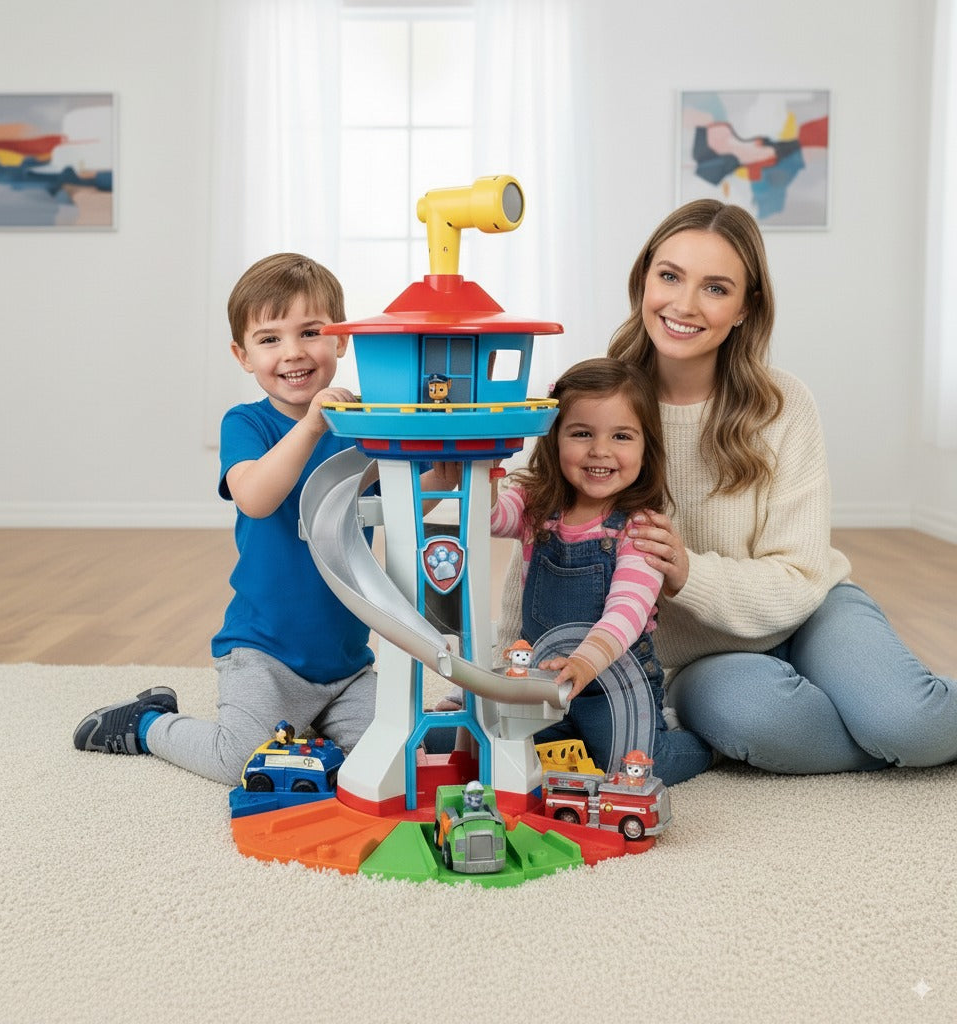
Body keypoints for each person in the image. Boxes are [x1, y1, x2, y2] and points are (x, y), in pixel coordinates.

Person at [503, 198, 957, 776]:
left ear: (746, 307)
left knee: (907, 724)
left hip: (811, 615)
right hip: (703, 659)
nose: (684, 305)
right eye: (669, 276)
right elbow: (538, 540)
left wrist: (690, 571)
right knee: (756, 718)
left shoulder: (784, 405)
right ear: (644, 278)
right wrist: (508, 677)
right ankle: (864, 721)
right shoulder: (595, 404)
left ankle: (891, 715)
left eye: (716, 288)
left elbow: (801, 575)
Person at [73, 253, 455, 786]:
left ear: (340, 341)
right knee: (240, 763)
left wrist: (451, 471)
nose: (293, 352)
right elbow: (255, 496)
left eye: (311, 332)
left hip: (346, 664)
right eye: (270, 339)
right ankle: (148, 723)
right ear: (242, 355)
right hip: (263, 655)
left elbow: (400, 502)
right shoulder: (246, 422)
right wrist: (313, 425)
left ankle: (317, 732)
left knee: (392, 757)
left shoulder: (362, 423)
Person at [490, 357, 713, 786]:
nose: (600, 450)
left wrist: (586, 662)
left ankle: (701, 747)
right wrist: (481, 468)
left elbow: (626, 610)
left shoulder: (639, 528)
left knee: (634, 766)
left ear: (647, 446)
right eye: (582, 433)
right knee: (510, 752)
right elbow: (489, 518)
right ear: (555, 438)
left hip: (616, 683)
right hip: (547, 680)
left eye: (622, 436)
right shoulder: (535, 502)